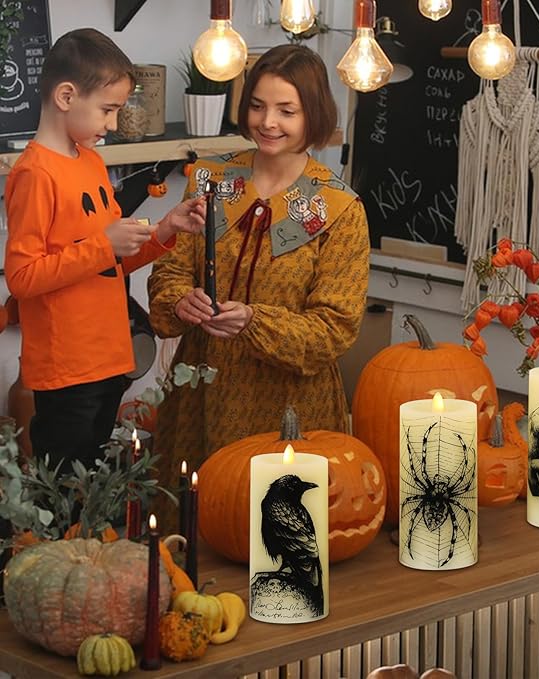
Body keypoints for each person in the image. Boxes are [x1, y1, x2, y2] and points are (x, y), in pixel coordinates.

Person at [147, 44, 370, 518]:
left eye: (286, 111)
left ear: (314, 114)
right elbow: (171, 269)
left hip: (291, 408)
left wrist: (254, 321)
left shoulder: (340, 210)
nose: (268, 122)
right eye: (257, 105)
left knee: (279, 537)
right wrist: (179, 300)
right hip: (199, 397)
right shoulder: (210, 180)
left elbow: (335, 328)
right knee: (192, 536)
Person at [3, 28, 205, 471]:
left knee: (98, 487)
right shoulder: (35, 174)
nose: (112, 125)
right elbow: (22, 278)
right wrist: (102, 246)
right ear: (66, 96)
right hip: (66, 369)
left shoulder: (92, 162)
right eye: (107, 110)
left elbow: (110, 260)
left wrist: (165, 228)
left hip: (110, 359)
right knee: (66, 491)